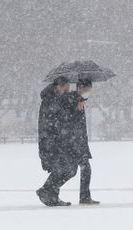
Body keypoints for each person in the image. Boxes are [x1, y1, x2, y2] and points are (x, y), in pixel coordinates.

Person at [36, 76, 78, 206]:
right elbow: (55, 120)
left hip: (56, 141)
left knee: (68, 168)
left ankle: (50, 192)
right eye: (67, 87)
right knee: (64, 168)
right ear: (60, 86)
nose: (68, 89)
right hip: (51, 141)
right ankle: (48, 192)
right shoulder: (51, 99)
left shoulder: (56, 98)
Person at [59, 78, 100, 205]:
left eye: (90, 89)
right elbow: (67, 118)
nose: (88, 91)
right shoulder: (72, 99)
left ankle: (84, 196)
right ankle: (49, 188)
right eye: (86, 89)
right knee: (76, 169)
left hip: (78, 140)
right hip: (73, 141)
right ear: (79, 88)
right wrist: (77, 104)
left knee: (75, 169)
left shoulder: (79, 100)